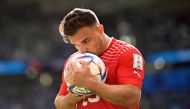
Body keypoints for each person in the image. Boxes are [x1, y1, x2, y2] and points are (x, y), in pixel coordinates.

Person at [54, 8, 144, 109]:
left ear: (100, 29)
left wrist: (89, 83)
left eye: (86, 41)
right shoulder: (74, 61)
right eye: (76, 45)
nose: (82, 50)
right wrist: (71, 99)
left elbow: (132, 98)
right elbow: (59, 103)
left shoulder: (126, 52)